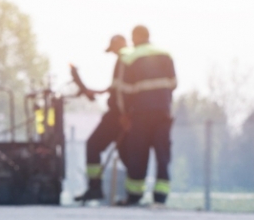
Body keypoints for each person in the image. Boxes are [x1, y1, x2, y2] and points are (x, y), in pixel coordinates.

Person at [114, 25, 177, 205]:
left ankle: (134, 195)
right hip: (163, 113)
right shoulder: (166, 54)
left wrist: (125, 114)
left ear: (135, 37)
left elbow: (123, 91)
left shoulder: (129, 57)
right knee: (162, 154)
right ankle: (160, 196)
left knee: (138, 154)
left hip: (140, 114)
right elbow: (173, 83)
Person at [71, 34, 129, 203]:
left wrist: (124, 114)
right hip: (122, 114)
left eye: (113, 49)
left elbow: (121, 91)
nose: (113, 53)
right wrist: (95, 92)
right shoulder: (126, 61)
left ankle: (95, 188)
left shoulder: (124, 60)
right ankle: (133, 194)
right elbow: (114, 88)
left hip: (118, 115)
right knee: (126, 153)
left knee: (93, 145)